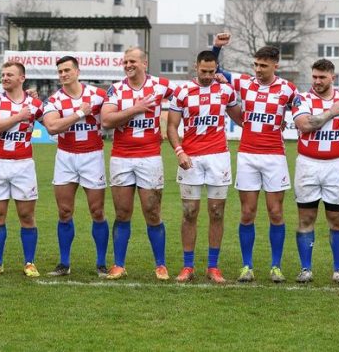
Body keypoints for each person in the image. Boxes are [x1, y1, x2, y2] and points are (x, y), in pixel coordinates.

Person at [214, 35, 298, 283]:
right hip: (248, 156)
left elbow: (303, 111)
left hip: (274, 157)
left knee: (276, 212)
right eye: (256, 65)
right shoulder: (244, 83)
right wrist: (217, 47)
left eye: (263, 65)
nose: (258, 70)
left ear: (275, 65)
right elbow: (215, 70)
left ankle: (276, 266)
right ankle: (247, 266)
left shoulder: (288, 89)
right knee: (247, 212)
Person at [101, 47, 177, 280]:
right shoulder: (116, 89)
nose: (128, 65)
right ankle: (119, 265)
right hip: (121, 157)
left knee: (152, 212)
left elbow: (186, 97)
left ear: (145, 63)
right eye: (125, 62)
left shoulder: (161, 85)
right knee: (122, 212)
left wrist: (168, 123)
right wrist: (135, 109)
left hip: (149, 157)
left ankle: (160, 265)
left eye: (132, 61)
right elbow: (106, 120)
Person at [166, 50, 241, 284]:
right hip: (191, 159)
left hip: (218, 157)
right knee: (189, 212)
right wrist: (179, 151)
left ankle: (213, 267)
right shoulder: (182, 92)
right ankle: (188, 266)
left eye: (211, 71)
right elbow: (171, 126)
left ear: (216, 68)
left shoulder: (226, 91)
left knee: (217, 212)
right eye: (203, 71)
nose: (208, 76)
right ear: (195, 67)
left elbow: (241, 119)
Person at [41, 56, 109, 277]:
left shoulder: (98, 95)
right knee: (64, 211)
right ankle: (64, 263)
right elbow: (52, 127)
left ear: (77, 72)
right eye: (60, 71)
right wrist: (80, 113)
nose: (63, 74)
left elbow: (110, 117)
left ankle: (101, 263)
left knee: (97, 211)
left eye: (67, 70)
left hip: (92, 155)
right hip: (66, 157)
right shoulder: (54, 100)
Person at [290, 59, 339, 284]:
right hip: (308, 164)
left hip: (336, 165)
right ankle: (305, 269)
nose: (317, 81)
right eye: (314, 76)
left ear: (332, 78)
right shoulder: (302, 99)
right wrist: (331, 112)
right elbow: (305, 125)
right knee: (306, 217)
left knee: (337, 219)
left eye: (322, 77)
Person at [0, 61, 44, 277]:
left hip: (24, 165)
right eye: (3, 74)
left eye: (10, 74)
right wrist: (18, 116)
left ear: (21, 78)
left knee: (27, 215)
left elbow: (52, 124)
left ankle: (29, 263)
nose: (4, 78)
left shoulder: (34, 104)